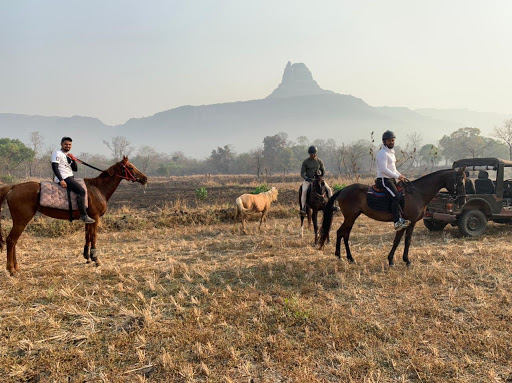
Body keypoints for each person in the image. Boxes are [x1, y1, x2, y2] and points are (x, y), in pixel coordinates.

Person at [51, 137, 95, 223]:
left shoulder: (67, 155)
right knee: (81, 191)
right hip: (64, 177)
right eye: (66, 144)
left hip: (70, 176)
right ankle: (83, 216)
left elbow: (75, 169)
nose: (68, 146)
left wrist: (73, 159)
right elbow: (54, 167)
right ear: (61, 144)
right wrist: (61, 180)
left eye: (69, 145)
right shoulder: (57, 153)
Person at [375, 130, 410, 231]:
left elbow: (393, 169)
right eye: (389, 141)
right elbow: (383, 169)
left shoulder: (391, 153)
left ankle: (401, 218)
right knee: (395, 197)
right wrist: (397, 176)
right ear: (384, 142)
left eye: (393, 140)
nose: (392, 142)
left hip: (391, 179)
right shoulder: (382, 154)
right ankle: (396, 222)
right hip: (383, 180)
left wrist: (400, 175)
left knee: (402, 195)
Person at [300, 145, 338, 216]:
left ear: (316, 153)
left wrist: (321, 176)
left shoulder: (319, 161)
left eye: (314, 154)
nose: (313, 155)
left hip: (318, 180)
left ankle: (332, 205)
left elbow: (323, 170)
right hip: (309, 180)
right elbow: (302, 173)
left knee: (329, 189)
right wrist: (307, 178)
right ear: (309, 154)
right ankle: (303, 208)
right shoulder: (306, 162)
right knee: (304, 191)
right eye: (311, 154)